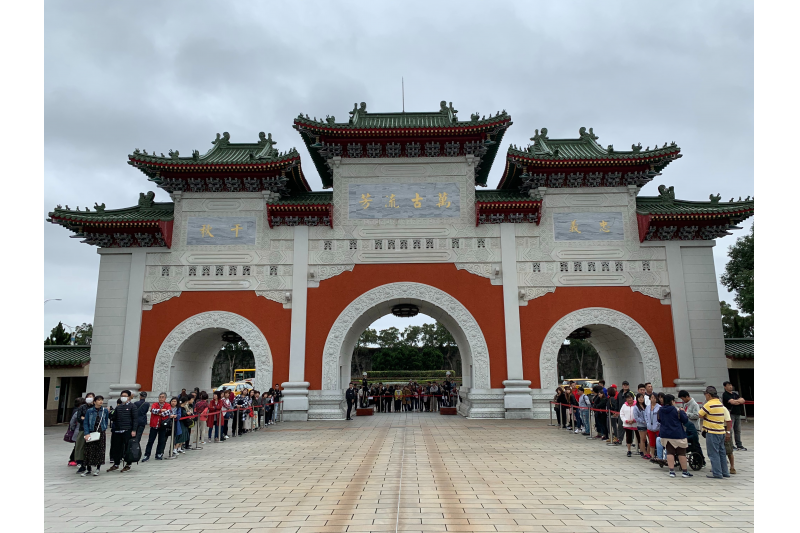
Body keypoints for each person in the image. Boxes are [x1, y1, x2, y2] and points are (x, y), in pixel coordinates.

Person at [657, 394, 693, 478]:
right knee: (681, 453)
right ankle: (684, 472)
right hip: (677, 434)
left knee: (670, 452)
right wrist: (683, 412)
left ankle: (671, 471)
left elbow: (659, 420)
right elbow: (685, 420)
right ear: (672, 401)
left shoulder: (660, 410)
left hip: (665, 434)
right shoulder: (677, 410)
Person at [698, 386, 730, 479]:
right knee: (721, 452)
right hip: (721, 431)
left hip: (712, 431)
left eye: (705, 395)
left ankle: (717, 473)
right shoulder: (720, 404)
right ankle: (725, 472)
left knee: (713, 453)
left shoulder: (709, 404)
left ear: (708, 395)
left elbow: (700, 414)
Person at [107, 389, 137, 473]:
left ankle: (128, 464)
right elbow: (114, 418)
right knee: (117, 448)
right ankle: (116, 463)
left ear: (129, 397)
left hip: (127, 430)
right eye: (122, 396)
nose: (123, 397)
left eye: (125, 396)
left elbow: (135, 419)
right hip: (118, 430)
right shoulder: (118, 407)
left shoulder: (132, 406)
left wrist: (134, 430)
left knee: (127, 448)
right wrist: (109, 413)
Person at [81, 395, 109, 477]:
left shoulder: (104, 410)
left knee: (100, 449)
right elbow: (85, 422)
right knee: (89, 450)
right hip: (91, 431)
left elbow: (106, 420)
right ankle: (88, 468)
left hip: (101, 432)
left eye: (102, 400)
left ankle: (98, 468)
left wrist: (104, 428)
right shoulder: (90, 411)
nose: (101, 402)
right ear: (94, 402)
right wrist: (86, 433)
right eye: (99, 400)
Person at [143, 392, 170, 461]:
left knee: (161, 441)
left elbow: (167, 412)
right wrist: (161, 411)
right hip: (154, 425)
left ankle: (159, 454)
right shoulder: (155, 404)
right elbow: (153, 410)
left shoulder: (167, 405)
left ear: (165, 398)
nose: (161, 398)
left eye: (162, 397)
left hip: (162, 426)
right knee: (150, 441)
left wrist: (159, 413)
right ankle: (146, 455)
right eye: (160, 397)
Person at [74, 393, 95, 474]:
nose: (89, 398)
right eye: (88, 397)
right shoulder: (82, 407)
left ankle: (89, 465)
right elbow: (79, 418)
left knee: (90, 447)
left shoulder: (95, 408)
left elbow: (95, 419)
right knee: (80, 446)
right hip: (82, 429)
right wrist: (86, 419)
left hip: (92, 430)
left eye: (91, 397)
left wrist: (85, 418)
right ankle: (81, 464)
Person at [722, 381, 747, 451]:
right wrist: (737, 401)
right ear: (725, 387)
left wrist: (736, 401)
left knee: (738, 430)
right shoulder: (725, 394)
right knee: (730, 430)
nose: (730, 386)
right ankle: (731, 445)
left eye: (731, 385)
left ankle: (739, 444)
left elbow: (742, 400)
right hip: (730, 414)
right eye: (728, 385)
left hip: (737, 413)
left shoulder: (735, 394)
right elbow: (732, 402)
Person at [645, 392, 661, 461]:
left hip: (657, 427)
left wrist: (658, 424)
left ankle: (659, 454)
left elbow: (660, 417)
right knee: (651, 441)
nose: (653, 399)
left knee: (659, 441)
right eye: (652, 398)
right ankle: (652, 455)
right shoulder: (648, 407)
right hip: (650, 427)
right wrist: (647, 423)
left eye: (654, 398)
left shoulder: (659, 407)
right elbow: (645, 416)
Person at [722, 405, 737, 474]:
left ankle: (732, 467)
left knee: (729, 449)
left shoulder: (723, 409)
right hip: (717, 429)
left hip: (724, 428)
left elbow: (728, 421)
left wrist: (728, 432)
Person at [634, 393, 649, 457]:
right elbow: (636, 417)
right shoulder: (636, 407)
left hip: (648, 425)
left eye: (642, 398)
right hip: (641, 425)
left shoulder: (646, 406)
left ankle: (648, 451)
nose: (641, 399)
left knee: (649, 439)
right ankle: (643, 452)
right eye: (639, 398)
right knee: (643, 439)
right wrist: (643, 421)